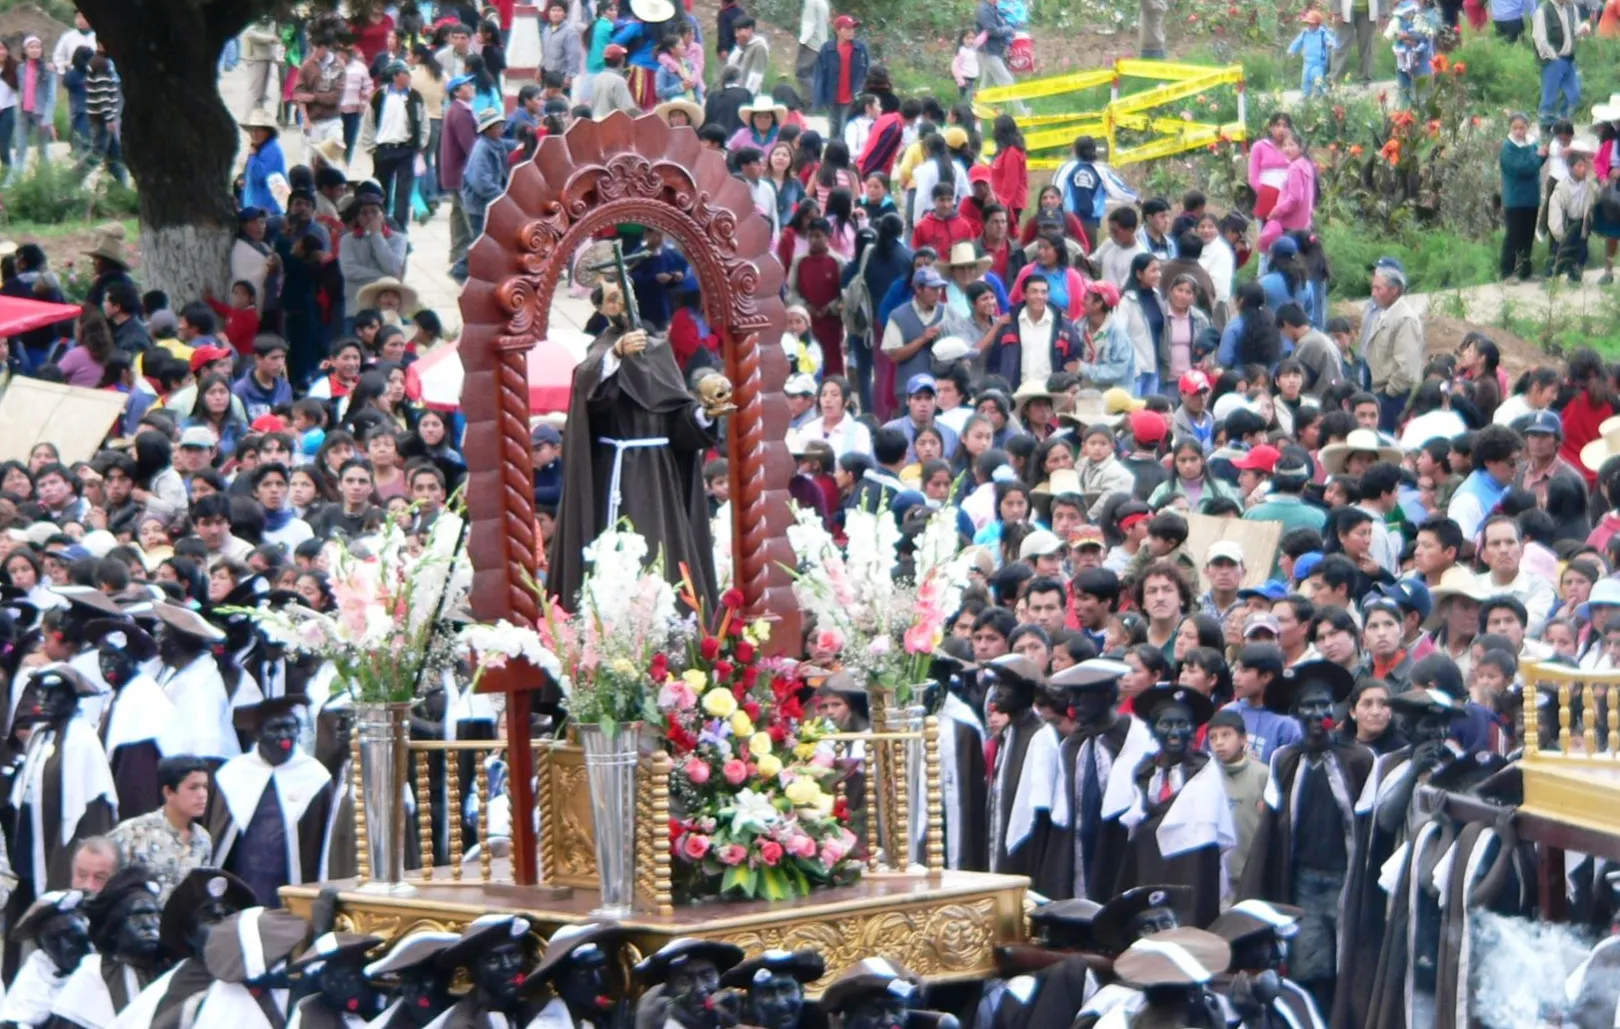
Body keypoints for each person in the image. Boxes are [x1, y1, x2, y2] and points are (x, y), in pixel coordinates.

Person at [1532, 0, 1588, 130]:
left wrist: (1582, 31)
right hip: (1553, 60)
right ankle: (1545, 130)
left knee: (1574, 94)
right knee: (1549, 98)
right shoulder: (1543, 11)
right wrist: (1553, 56)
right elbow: (1539, 38)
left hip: (1569, 59)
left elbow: (1575, 31)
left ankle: (1561, 125)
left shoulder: (1572, 8)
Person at [1288, 10, 1335, 96]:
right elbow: (1297, 42)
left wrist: (1330, 43)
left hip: (1319, 62)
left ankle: (1321, 93)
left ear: (1317, 24)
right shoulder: (1305, 33)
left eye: (1312, 23)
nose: (1309, 25)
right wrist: (1292, 51)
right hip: (1307, 62)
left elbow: (1331, 40)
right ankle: (1305, 95)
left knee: (1317, 78)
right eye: (1308, 23)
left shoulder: (1322, 33)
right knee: (1305, 79)